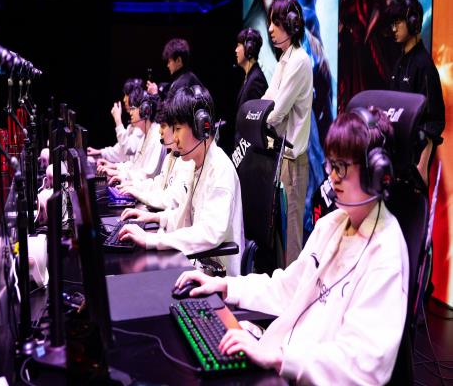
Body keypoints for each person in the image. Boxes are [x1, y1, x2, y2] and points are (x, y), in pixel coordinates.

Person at [175, 107, 409, 384]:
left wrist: (280, 358)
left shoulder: (385, 254)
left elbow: (362, 365)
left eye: (341, 167)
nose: (332, 177)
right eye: (331, 165)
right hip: (284, 358)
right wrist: (226, 286)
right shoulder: (332, 224)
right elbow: (288, 287)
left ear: (375, 174)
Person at [117, 86, 245, 277]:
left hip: (214, 276)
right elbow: (184, 215)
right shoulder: (197, 164)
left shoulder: (220, 170)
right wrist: (155, 219)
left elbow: (208, 233)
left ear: (201, 127)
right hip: (196, 265)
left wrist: (152, 240)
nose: (174, 138)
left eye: (177, 129)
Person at [262, 0, 313, 266]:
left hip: (293, 159)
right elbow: (267, 101)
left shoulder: (299, 61)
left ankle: (294, 285)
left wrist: (260, 118)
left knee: (292, 233)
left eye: (276, 22)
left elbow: (277, 111)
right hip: (281, 157)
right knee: (279, 231)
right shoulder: (285, 59)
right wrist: (260, 114)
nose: (270, 29)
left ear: (291, 25)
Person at [389, 0, 445, 185]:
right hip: (397, 157)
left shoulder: (424, 66)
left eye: (398, 22)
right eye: (392, 23)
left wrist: (422, 164)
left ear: (413, 23)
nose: (394, 29)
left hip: (413, 163)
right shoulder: (399, 63)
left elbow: (434, 121)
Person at [117, 96, 194, 210]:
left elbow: (172, 200)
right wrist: (133, 186)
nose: (159, 131)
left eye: (163, 126)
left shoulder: (187, 160)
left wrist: (139, 193)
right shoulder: (170, 156)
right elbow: (158, 185)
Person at [98, 85, 165, 183]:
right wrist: (115, 167)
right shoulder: (145, 136)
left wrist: (119, 174)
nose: (130, 113)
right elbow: (134, 166)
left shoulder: (156, 137)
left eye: (133, 108)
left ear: (145, 111)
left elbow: (147, 176)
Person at [87, 78, 144, 163]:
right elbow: (121, 151)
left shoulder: (141, 125)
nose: (124, 99)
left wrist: (118, 120)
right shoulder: (132, 126)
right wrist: (101, 152)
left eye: (126, 95)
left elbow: (128, 149)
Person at [234, 27, 268, 144]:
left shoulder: (256, 80)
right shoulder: (249, 77)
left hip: (249, 150)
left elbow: (257, 123)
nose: (236, 50)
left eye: (238, 45)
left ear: (249, 48)